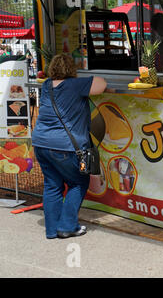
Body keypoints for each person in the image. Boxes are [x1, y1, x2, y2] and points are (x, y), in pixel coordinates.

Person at [31, 54, 107, 239]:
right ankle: (67, 226)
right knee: (78, 182)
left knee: (52, 185)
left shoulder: (47, 85)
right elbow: (102, 84)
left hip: (40, 143)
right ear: (71, 70)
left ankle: (52, 230)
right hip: (65, 146)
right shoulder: (75, 85)